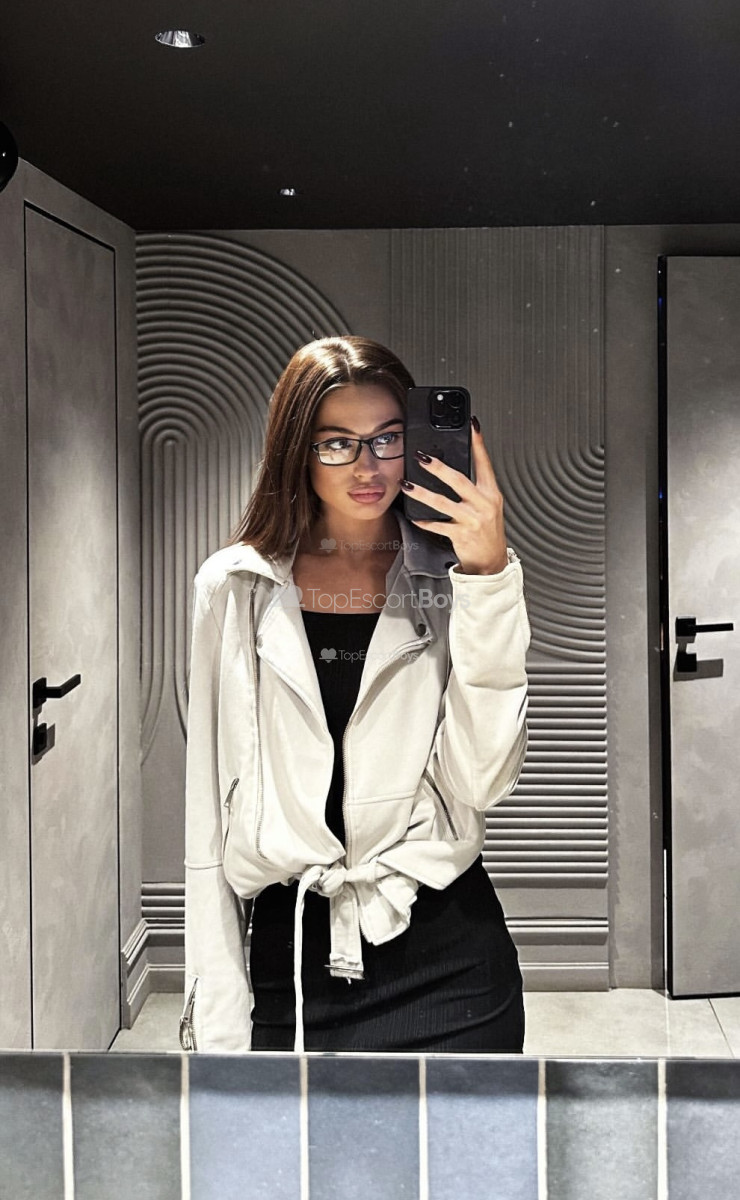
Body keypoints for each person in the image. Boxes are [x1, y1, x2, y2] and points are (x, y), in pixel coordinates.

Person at [180, 335, 530, 1054]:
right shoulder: (236, 588)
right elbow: (208, 816)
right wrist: (217, 1020)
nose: (368, 467)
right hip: (292, 954)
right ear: (297, 452)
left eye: (388, 439)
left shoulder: (457, 579)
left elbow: (482, 780)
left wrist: (489, 577)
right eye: (337, 443)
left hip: (450, 957)